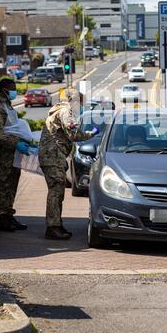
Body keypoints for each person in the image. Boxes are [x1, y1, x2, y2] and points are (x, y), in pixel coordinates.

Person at [39, 89, 99, 240]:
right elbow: (73, 134)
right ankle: (52, 227)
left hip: (54, 156)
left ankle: (56, 224)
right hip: (53, 156)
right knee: (56, 192)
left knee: (57, 191)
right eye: (81, 104)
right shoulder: (66, 112)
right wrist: (91, 133)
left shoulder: (60, 110)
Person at [0, 78, 30, 232]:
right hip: (4, 156)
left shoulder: (7, 105)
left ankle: (8, 215)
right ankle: (1, 218)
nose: (15, 91)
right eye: (13, 88)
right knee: (3, 186)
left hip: (13, 155)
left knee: (12, 186)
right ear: (4, 90)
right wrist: (16, 143)